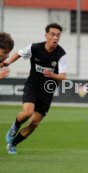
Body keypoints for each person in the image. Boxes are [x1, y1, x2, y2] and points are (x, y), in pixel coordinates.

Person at [4, 23, 67, 154]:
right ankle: (15, 126)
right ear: (46, 35)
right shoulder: (35, 48)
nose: (55, 37)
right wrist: (8, 62)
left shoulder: (61, 54)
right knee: (27, 112)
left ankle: (13, 144)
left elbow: (63, 76)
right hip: (32, 86)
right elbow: (19, 53)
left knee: (34, 123)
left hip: (47, 93)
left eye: (58, 35)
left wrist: (52, 75)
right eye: (53, 34)